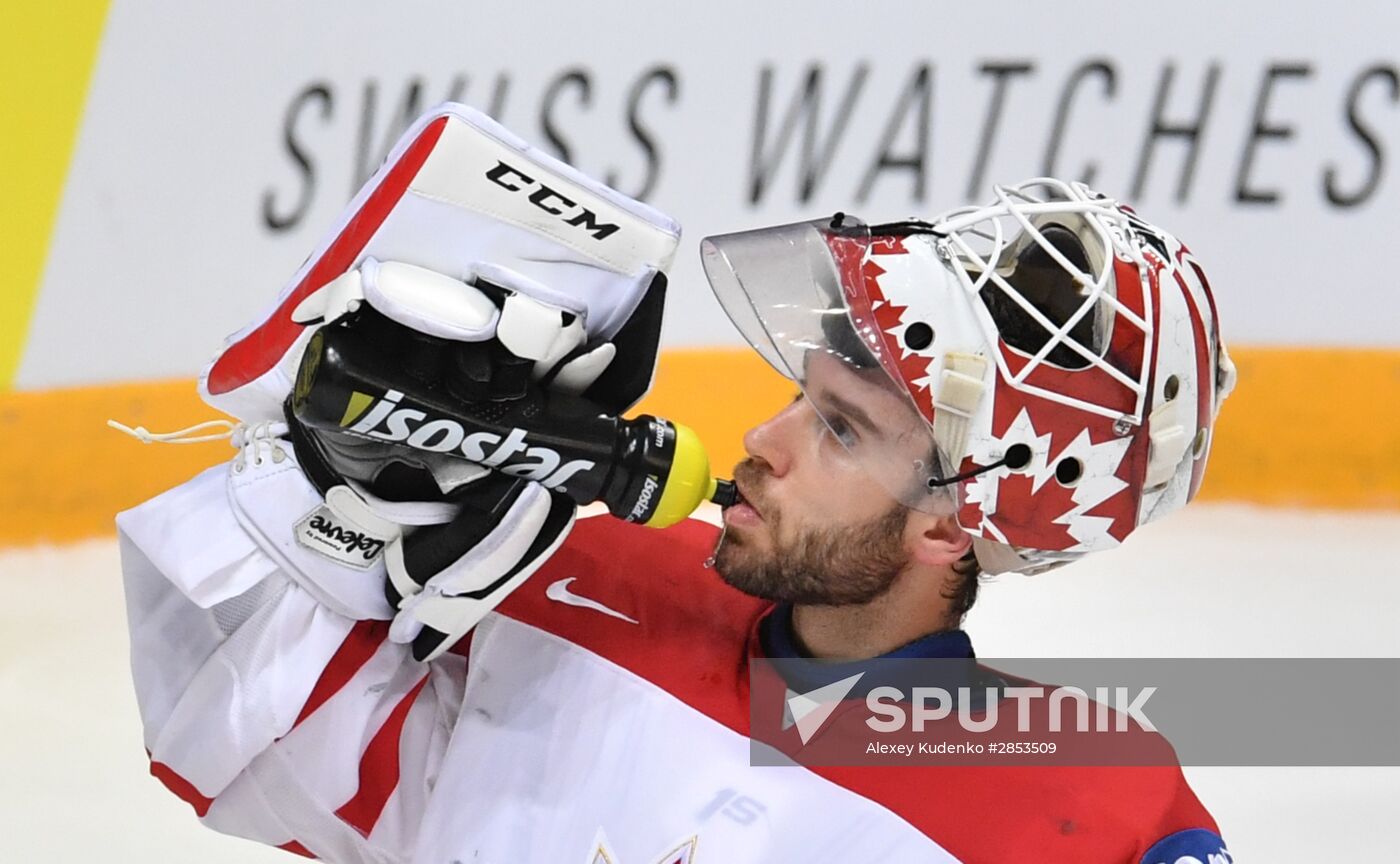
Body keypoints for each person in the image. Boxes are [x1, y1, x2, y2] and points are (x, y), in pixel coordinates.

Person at [117, 105, 1236, 863]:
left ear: (951, 527)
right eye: (800, 395)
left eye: (840, 430)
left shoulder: (1094, 803)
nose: (763, 439)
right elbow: (237, 760)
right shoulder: (580, 575)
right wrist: (336, 501)